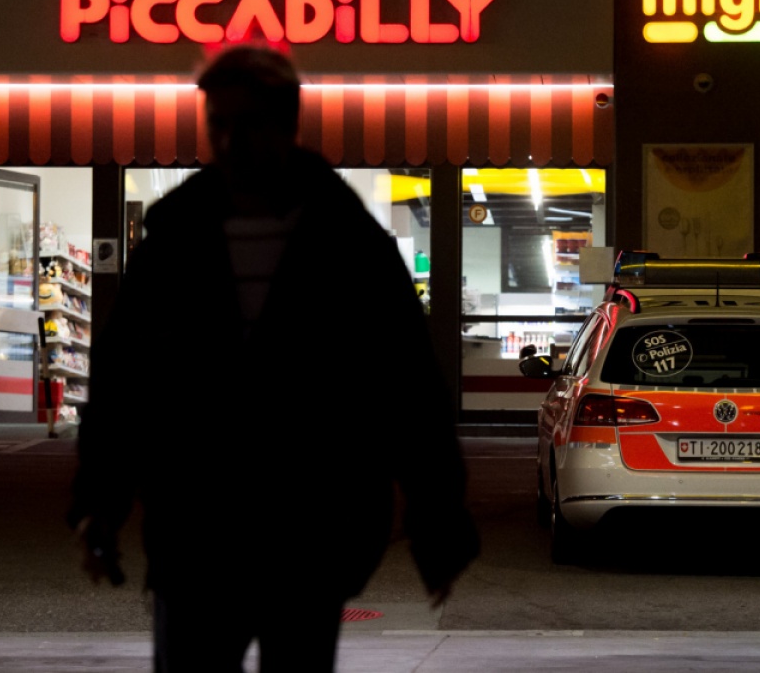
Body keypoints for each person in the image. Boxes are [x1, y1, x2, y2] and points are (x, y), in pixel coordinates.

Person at [66, 44, 480, 672]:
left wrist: (438, 526)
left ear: (289, 124)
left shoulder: (348, 244)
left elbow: (408, 390)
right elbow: (125, 385)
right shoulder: (175, 242)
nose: (231, 141)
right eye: (219, 124)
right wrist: (100, 504)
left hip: (306, 530)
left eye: (250, 123)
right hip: (202, 530)